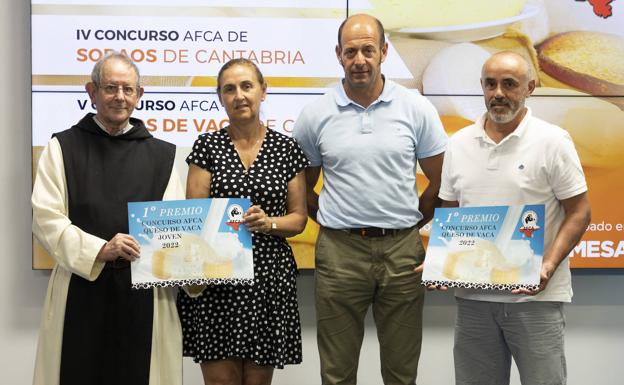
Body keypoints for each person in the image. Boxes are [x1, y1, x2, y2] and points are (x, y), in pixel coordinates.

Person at [293, 14, 448, 385]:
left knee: (401, 371)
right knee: (336, 373)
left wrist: (412, 224)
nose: (359, 60)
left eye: (367, 50)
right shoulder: (315, 114)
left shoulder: (416, 108)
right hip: (339, 254)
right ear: (338, 55)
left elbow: (443, 182)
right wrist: (332, 223)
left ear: (384, 52)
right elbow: (300, 190)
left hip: (402, 253)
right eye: (351, 52)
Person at [435, 51, 591, 385]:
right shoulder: (458, 143)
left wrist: (547, 265)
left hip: (535, 300)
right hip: (474, 301)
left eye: (509, 84)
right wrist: (441, 260)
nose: (498, 93)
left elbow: (580, 212)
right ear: (481, 86)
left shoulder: (552, 141)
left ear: (530, 88)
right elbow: (450, 217)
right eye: (490, 84)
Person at [31, 52, 184, 385]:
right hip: (80, 287)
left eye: (128, 89)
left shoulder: (165, 156)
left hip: (145, 294)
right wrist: (100, 249)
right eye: (111, 88)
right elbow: (45, 217)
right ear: (92, 91)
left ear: (139, 95)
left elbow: (176, 227)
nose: (120, 97)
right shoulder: (62, 147)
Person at [177, 58, 308, 385]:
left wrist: (269, 224)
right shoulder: (207, 146)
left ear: (263, 91)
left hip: (268, 279)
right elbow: (195, 214)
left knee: (257, 382)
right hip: (217, 277)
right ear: (220, 97)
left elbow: (299, 219)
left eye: (247, 86)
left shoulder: (286, 148)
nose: (239, 95)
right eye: (229, 89)